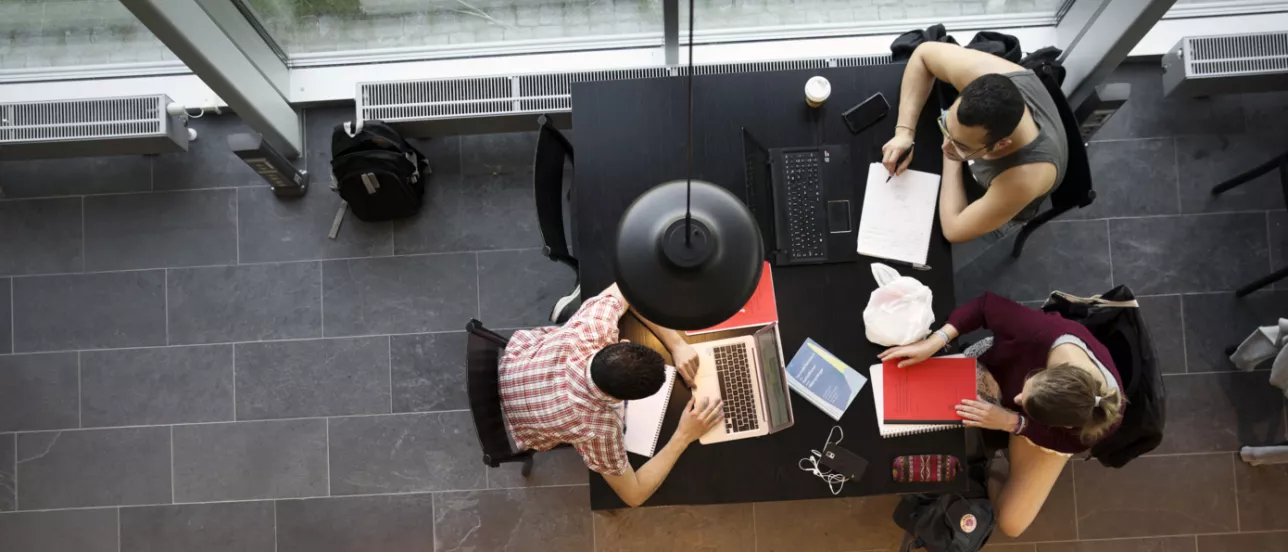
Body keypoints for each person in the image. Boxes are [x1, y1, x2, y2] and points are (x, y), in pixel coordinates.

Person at [878, 292, 1124, 538]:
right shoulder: (1041, 332)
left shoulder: (1094, 420)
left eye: (1025, 403)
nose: (1017, 399)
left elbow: (1060, 441)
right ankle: (986, 454)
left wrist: (1015, 423)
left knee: (1011, 524)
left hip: (1031, 428)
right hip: (997, 367)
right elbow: (983, 305)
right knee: (925, 410)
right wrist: (936, 340)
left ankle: (983, 467)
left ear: (1062, 423)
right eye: (1028, 386)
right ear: (1048, 370)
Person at [498, 283, 723, 507]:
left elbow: (629, 287)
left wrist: (677, 345)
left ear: (621, 344)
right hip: (522, 424)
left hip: (516, 362)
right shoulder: (598, 429)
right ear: (622, 402)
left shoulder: (592, 327)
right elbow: (634, 495)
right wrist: (683, 435)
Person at [881, 42, 1068, 243]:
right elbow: (923, 54)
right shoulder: (988, 76)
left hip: (997, 200)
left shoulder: (1024, 177)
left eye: (961, 145)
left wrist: (950, 158)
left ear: (1001, 144)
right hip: (971, 168)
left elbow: (954, 230)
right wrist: (904, 132)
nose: (945, 146)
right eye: (946, 125)